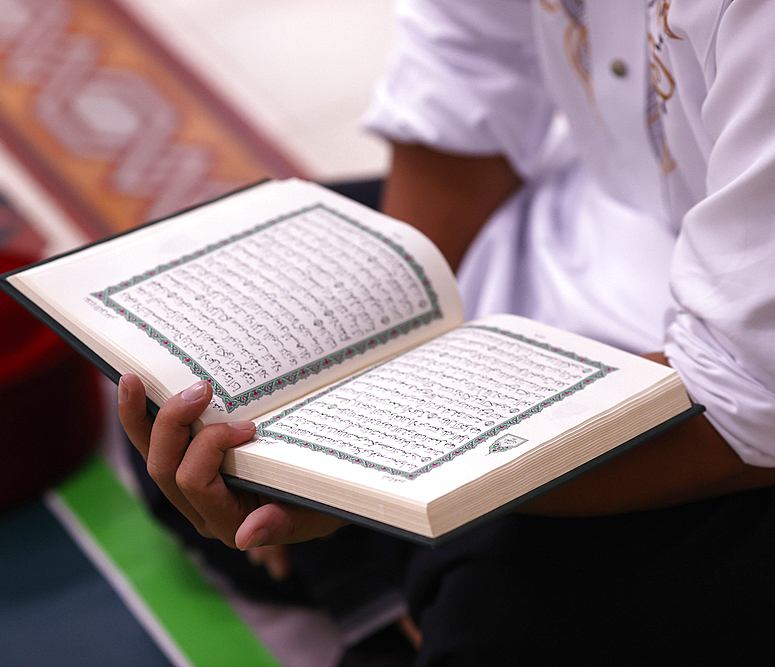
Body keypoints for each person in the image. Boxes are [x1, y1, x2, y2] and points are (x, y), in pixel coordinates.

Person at [119, 0, 775, 663]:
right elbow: (467, 73)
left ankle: (401, 578)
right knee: (185, 377)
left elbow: (744, 392)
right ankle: (403, 582)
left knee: (495, 617)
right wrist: (360, 358)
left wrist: (378, 484)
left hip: (715, 425)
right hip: (583, 241)